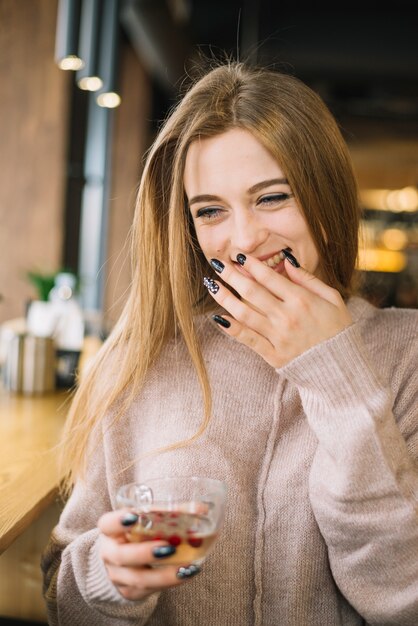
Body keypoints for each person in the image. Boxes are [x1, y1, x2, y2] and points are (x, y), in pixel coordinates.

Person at [41, 61, 418, 625]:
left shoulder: (407, 355)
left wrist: (336, 376)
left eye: (271, 198)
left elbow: (404, 600)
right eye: (211, 210)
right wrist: (111, 577)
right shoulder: (144, 358)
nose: (243, 239)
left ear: (326, 198)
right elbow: (64, 597)